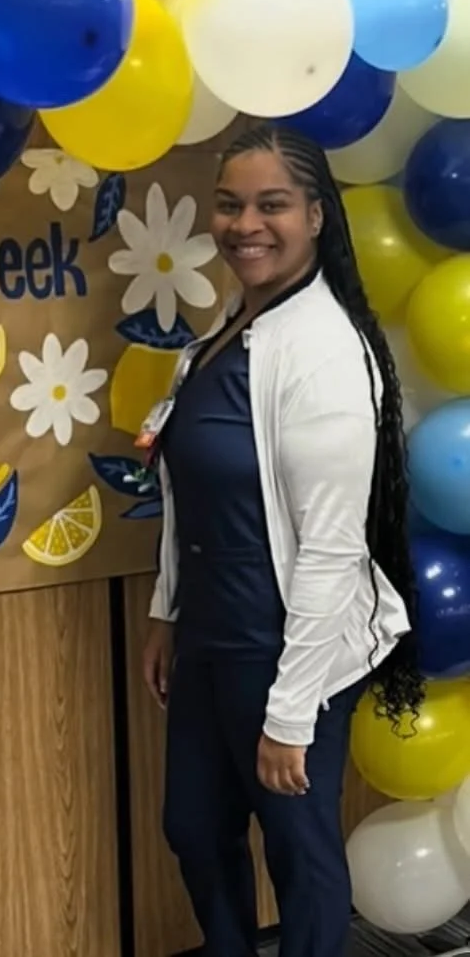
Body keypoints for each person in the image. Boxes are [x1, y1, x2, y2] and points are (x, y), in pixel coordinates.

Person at [140, 123, 419, 957]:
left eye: (272, 205)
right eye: (229, 205)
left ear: (316, 216)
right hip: (209, 635)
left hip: (287, 642)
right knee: (192, 826)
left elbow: (333, 550)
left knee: (298, 850)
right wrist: (165, 614)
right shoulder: (219, 340)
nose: (245, 224)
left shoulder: (326, 354)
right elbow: (188, 498)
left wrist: (292, 714)